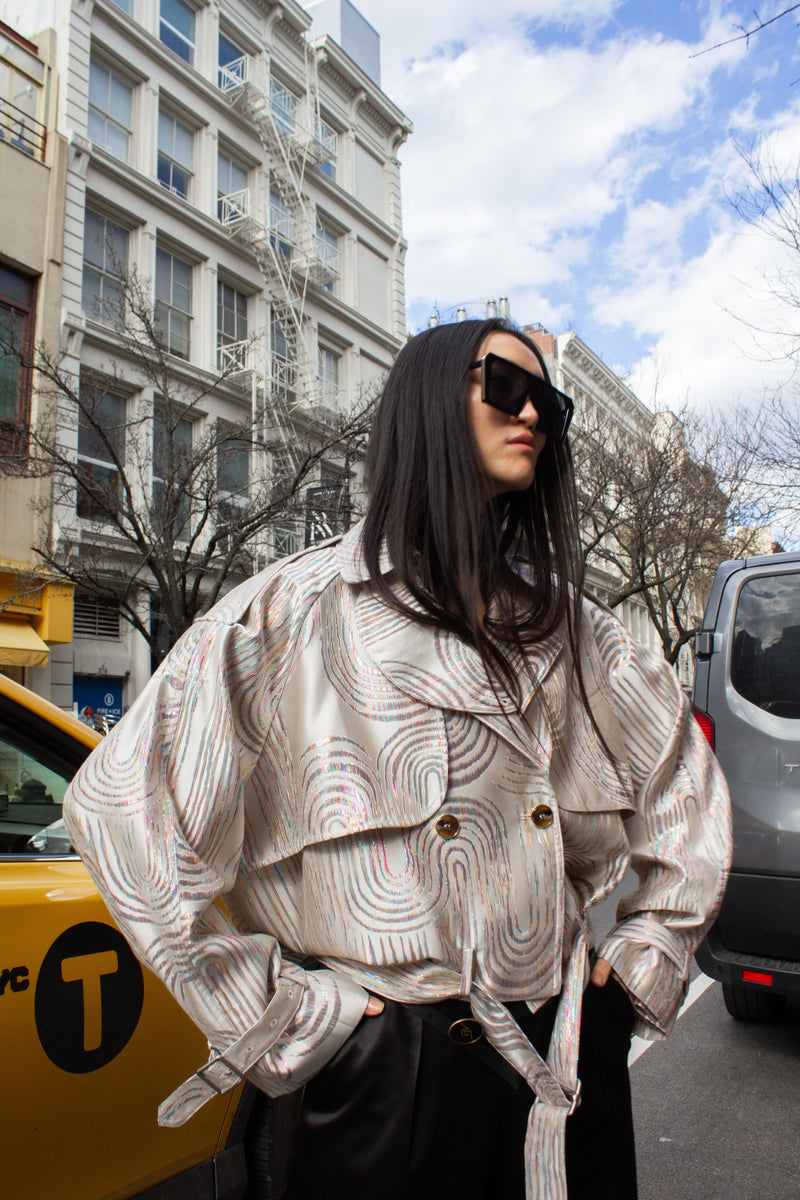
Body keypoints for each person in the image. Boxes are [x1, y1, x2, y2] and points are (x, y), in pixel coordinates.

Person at [64, 318, 731, 1200]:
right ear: (428, 401)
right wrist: (283, 1015)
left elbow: (684, 788)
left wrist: (644, 957)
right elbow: (122, 810)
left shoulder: (577, 629)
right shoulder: (290, 613)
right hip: (384, 1078)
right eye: (503, 384)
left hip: (565, 1060)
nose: (533, 410)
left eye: (551, 400)